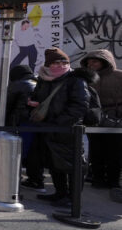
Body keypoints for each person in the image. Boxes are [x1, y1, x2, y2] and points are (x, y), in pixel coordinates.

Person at [27, 48, 92, 207]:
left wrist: (60, 123)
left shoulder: (75, 80)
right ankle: (60, 193)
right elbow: (37, 98)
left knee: (73, 165)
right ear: (48, 65)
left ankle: (73, 199)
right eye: (57, 62)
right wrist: (32, 104)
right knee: (54, 163)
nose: (61, 65)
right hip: (48, 129)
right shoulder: (43, 80)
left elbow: (80, 105)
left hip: (68, 130)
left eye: (65, 62)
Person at [80, 50, 122, 189]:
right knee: (96, 150)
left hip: (115, 119)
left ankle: (113, 181)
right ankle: (97, 179)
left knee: (114, 151)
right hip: (94, 117)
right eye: (89, 62)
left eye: (95, 61)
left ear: (105, 62)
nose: (91, 64)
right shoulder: (86, 78)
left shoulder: (119, 76)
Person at [8, 65, 38, 191]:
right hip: (35, 122)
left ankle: (14, 180)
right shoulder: (38, 83)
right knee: (34, 153)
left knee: (17, 152)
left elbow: (8, 104)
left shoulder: (18, 84)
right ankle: (36, 180)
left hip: (21, 121)